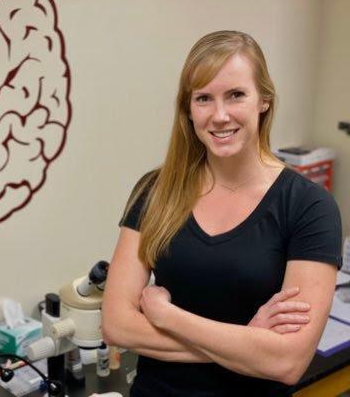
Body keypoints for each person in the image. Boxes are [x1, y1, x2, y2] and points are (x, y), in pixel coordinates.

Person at [101, 30, 342, 397]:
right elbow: (117, 326)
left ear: (263, 100)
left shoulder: (309, 206)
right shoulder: (155, 191)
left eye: (236, 95)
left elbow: (287, 363)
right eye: (203, 99)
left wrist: (168, 317)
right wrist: (249, 342)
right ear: (188, 108)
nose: (219, 115)